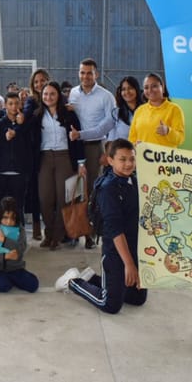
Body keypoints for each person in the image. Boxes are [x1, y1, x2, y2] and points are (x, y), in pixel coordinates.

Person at [56, 139, 147, 314]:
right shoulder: (108, 188)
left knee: (138, 298)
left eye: (132, 159)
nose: (128, 164)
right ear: (110, 160)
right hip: (115, 252)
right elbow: (115, 231)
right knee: (110, 304)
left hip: (135, 248)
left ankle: (91, 277)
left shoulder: (135, 181)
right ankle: (73, 282)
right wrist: (129, 264)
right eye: (122, 159)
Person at [67, 59, 116, 249]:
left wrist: (107, 151)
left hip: (96, 147)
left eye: (89, 73)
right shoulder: (73, 94)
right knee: (75, 191)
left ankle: (91, 234)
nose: (85, 76)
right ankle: (75, 231)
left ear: (96, 74)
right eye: (82, 73)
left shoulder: (106, 96)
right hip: (75, 148)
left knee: (93, 193)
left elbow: (109, 125)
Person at [35, 81, 85, 250]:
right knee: (45, 198)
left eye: (52, 94)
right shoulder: (37, 114)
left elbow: (77, 139)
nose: (48, 97)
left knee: (63, 199)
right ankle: (49, 232)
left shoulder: (69, 114)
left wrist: (81, 163)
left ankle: (56, 237)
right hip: (45, 157)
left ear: (59, 96)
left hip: (65, 157)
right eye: (45, 94)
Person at [0, 91, 32, 221]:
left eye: (16, 103)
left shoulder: (25, 123)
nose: (14, 107)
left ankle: (19, 238)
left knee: (18, 208)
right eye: (10, 104)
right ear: (5, 106)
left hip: (19, 173)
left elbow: (29, 145)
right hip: (0, 173)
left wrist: (20, 126)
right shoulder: (0, 123)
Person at [0, 197, 39, 293]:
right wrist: (4, 257)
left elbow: (22, 248)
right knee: (3, 287)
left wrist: (5, 240)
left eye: (12, 218)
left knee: (33, 285)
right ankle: (3, 280)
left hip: (16, 268)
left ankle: (13, 280)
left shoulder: (20, 230)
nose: (9, 222)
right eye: (5, 218)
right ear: (0, 216)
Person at [23, 68, 50, 241]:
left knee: (50, 190)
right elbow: (26, 120)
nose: (40, 84)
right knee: (34, 189)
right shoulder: (31, 102)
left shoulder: (55, 99)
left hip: (53, 149)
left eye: (43, 80)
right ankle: (36, 225)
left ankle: (52, 226)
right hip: (34, 150)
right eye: (36, 82)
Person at [128, 73, 185, 147]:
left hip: (165, 157)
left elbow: (180, 139)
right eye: (146, 87)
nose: (150, 90)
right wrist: (134, 145)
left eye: (154, 86)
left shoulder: (174, 109)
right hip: (142, 157)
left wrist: (168, 131)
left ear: (163, 87)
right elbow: (131, 139)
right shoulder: (139, 110)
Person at [108, 76, 144, 141]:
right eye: (123, 89)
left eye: (130, 88)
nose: (127, 92)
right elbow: (111, 138)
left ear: (137, 89)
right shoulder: (116, 113)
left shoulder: (147, 110)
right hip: (123, 149)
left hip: (145, 149)